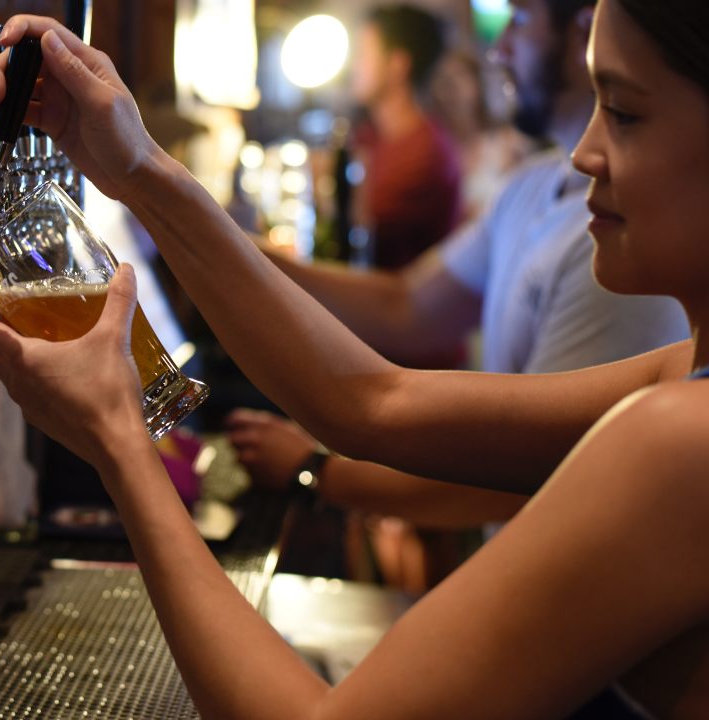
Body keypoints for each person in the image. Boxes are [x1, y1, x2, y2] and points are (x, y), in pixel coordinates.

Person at [0, 1, 709, 715]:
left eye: (626, 113)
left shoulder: (681, 441)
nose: (585, 153)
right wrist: (135, 169)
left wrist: (117, 440)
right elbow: (370, 403)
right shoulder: (680, 382)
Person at [229, 0, 687, 543]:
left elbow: (523, 474)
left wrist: (315, 469)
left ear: (584, 26)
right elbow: (404, 306)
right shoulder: (533, 184)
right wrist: (231, 246)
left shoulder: (625, 245)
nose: (498, 49)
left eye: (520, 18)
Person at [349, 4, 462, 271]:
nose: (354, 66)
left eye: (363, 54)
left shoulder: (426, 153)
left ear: (397, 64)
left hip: (392, 305)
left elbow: (356, 221)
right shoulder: (369, 134)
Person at [429, 50, 532, 221]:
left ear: (478, 84)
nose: (451, 88)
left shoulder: (507, 142)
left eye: (460, 77)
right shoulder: (434, 153)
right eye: (444, 80)